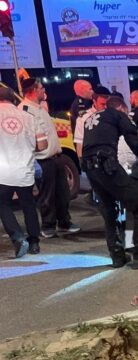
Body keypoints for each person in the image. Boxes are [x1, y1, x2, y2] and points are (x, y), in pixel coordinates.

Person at [82, 93, 138, 269]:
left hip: (90, 168)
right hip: (107, 164)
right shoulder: (117, 115)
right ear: (121, 108)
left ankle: (117, 256)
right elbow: (132, 139)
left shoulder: (90, 118)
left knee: (109, 210)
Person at [19, 77, 79, 240]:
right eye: (41, 88)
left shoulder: (39, 108)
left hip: (56, 158)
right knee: (47, 196)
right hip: (43, 160)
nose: (44, 90)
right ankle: (48, 226)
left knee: (63, 193)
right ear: (33, 91)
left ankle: (64, 222)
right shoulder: (24, 111)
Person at [0, 86, 44, 258]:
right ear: (13, 99)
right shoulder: (29, 117)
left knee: (2, 204)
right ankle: (34, 243)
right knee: (29, 206)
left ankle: (17, 237)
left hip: (3, 171)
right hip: (25, 169)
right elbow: (42, 145)